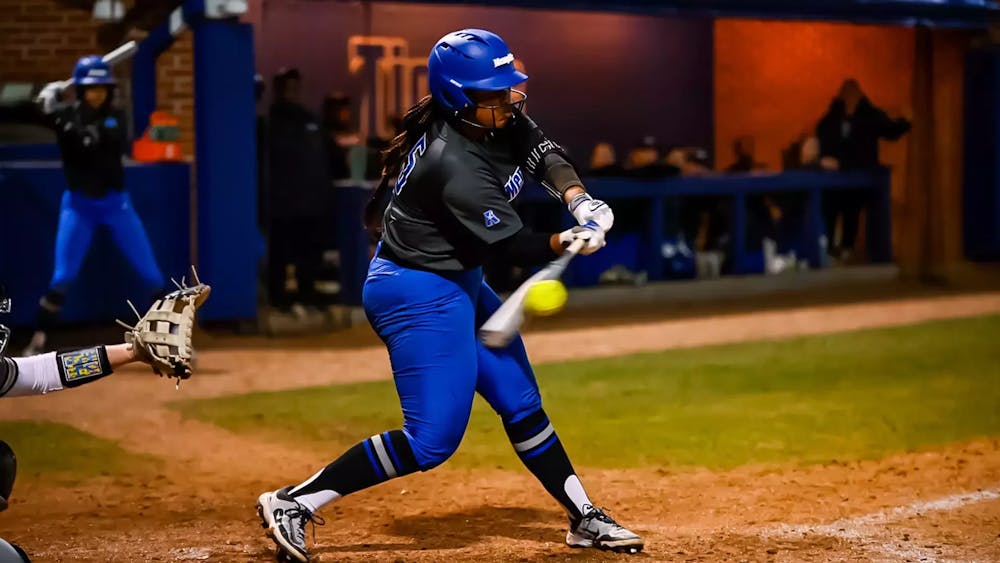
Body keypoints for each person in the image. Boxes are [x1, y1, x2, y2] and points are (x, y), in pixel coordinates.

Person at [256, 29, 643, 562]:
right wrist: (566, 238)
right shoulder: (452, 161)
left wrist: (579, 200)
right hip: (414, 290)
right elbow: (511, 243)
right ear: (460, 98)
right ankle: (293, 503)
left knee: (520, 401)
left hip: (458, 278)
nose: (508, 101)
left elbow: (541, 150)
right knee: (431, 442)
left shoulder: (493, 118)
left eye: (508, 89)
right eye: (493, 92)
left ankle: (583, 518)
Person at [23, 56, 167, 356]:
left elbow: (93, 141)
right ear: (80, 89)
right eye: (91, 87)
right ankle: (37, 340)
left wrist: (56, 116)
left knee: (151, 275)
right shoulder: (65, 116)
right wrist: (43, 104)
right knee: (62, 277)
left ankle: (170, 339)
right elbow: (29, 112)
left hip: (116, 205)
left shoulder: (115, 118)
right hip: (78, 206)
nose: (98, 93)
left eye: (102, 87)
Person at [816, 79, 910, 262]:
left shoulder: (865, 116)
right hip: (839, 180)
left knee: (849, 212)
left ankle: (842, 248)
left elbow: (890, 130)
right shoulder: (834, 119)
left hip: (852, 178)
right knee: (835, 212)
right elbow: (890, 130)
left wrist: (905, 121)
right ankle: (834, 249)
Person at [266, 67, 334, 312]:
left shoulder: (310, 119)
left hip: (310, 202)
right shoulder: (270, 123)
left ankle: (307, 293)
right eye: (288, 87)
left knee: (309, 253)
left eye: (296, 86)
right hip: (282, 204)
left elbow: (325, 157)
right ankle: (279, 298)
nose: (293, 92)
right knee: (280, 255)